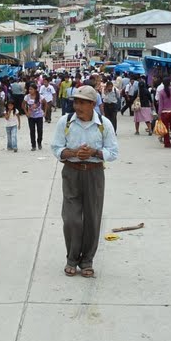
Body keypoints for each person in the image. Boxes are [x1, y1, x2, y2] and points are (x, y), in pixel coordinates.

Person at [51, 85, 119, 279]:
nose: (78, 106)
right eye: (76, 102)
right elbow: (56, 148)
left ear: (92, 104)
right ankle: (72, 259)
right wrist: (73, 153)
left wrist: (94, 153)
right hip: (71, 173)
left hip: (94, 174)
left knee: (92, 218)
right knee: (71, 219)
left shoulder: (103, 124)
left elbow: (113, 152)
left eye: (82, 102)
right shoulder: (65, 122)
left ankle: (87, 260)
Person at [155, 77, 171, 148]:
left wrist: (159, 114)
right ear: (170, 83)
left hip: (164, 113)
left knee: (165, 129)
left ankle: (167, 144)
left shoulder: (161, 92)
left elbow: (160, 105)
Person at [23, 84, 46, 151]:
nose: (30, 91)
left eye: (31, 89)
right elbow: (23, 105)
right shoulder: (27, 97)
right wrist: (26, 113)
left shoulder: (40, 97)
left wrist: (45, 112)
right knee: (32, 131)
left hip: (39, 116)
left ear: (35, 90)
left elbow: (46, 103)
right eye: (29, 89)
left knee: (40, 130)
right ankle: (33, 145)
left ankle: (39, 143)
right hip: (31, 117)